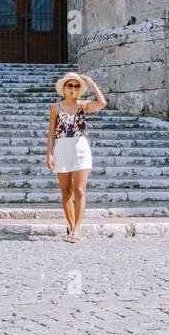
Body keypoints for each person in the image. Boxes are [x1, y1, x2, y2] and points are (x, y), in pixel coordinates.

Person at [46, 71, 107, 242]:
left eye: (76, 85)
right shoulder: (55, 108)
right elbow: (51, 133)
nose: (73, 88)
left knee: (79, 190)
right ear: (64, 88)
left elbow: (102, 103)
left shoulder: (83, 105)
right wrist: (49, 154)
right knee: (66, 191)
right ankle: (71, 228)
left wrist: (91, 82)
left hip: (80, 148)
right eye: (70, 85)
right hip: (61, 149)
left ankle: (78, 229)